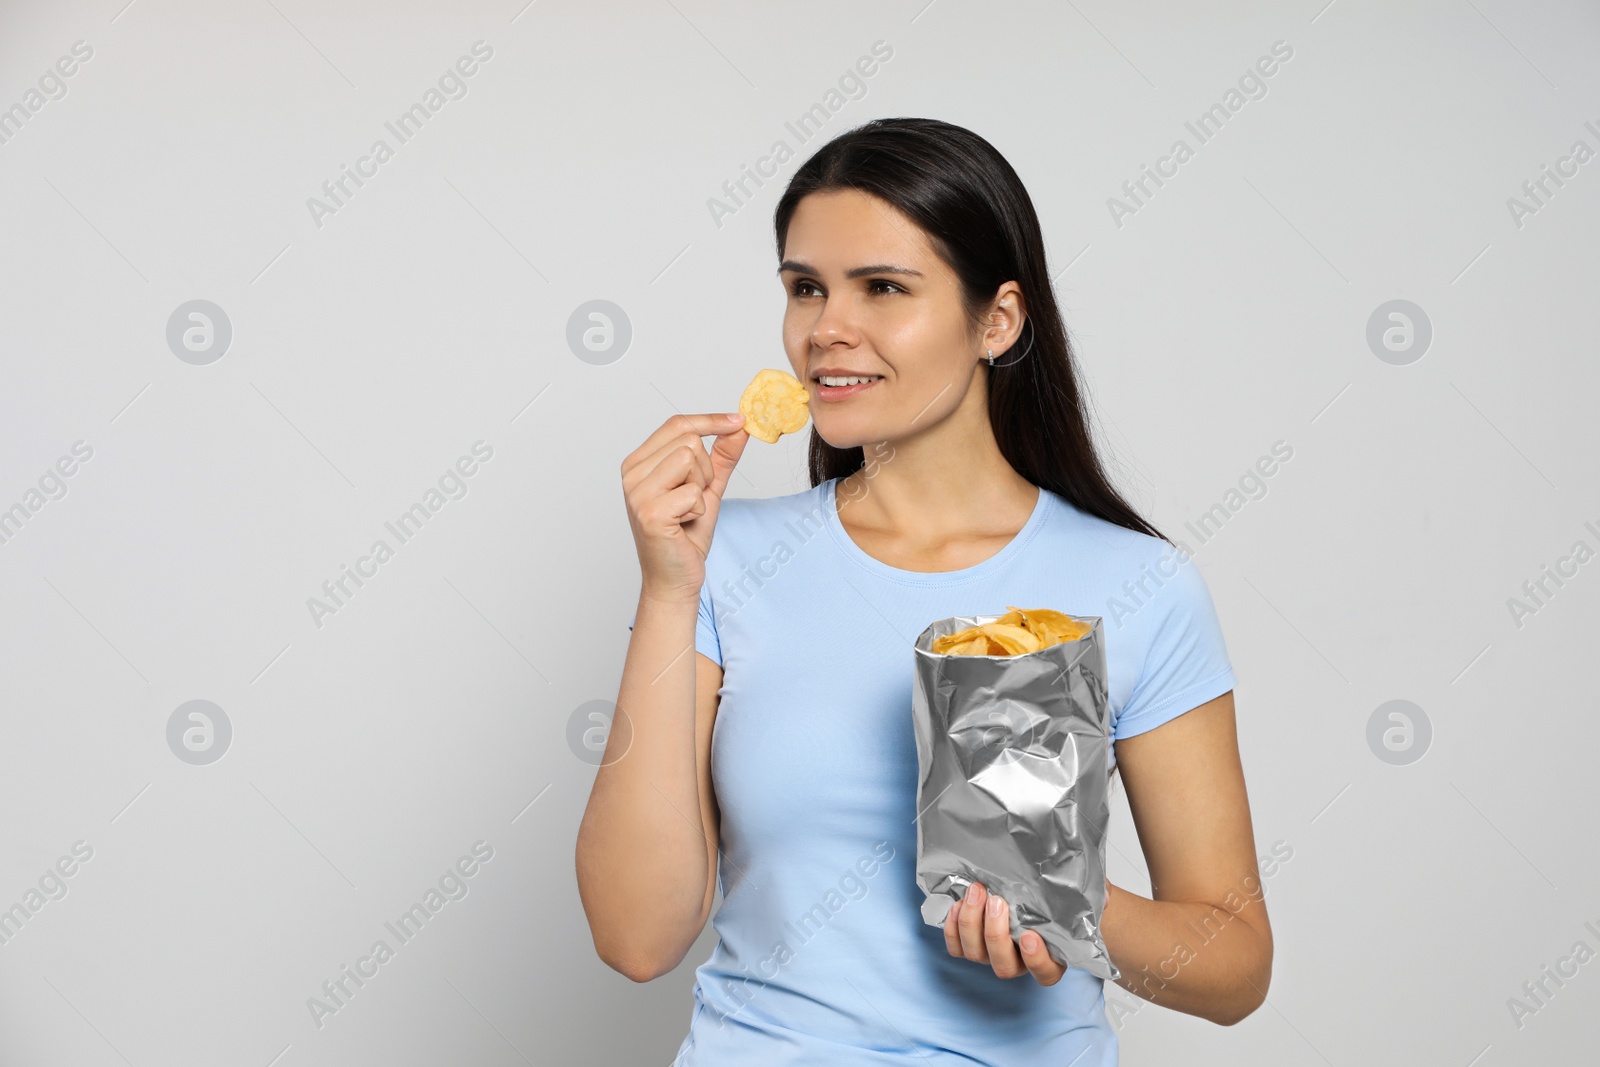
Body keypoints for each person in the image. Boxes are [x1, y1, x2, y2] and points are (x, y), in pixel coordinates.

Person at [577, 117, 1273, 1065]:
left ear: (998, 320)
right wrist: (667, 591)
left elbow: (1234, 968)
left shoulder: (1136, 585)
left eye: (884, 287)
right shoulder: (724, 559)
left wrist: (1061, 899)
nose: (827, 328)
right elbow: (637, 936)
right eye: (805, 288)